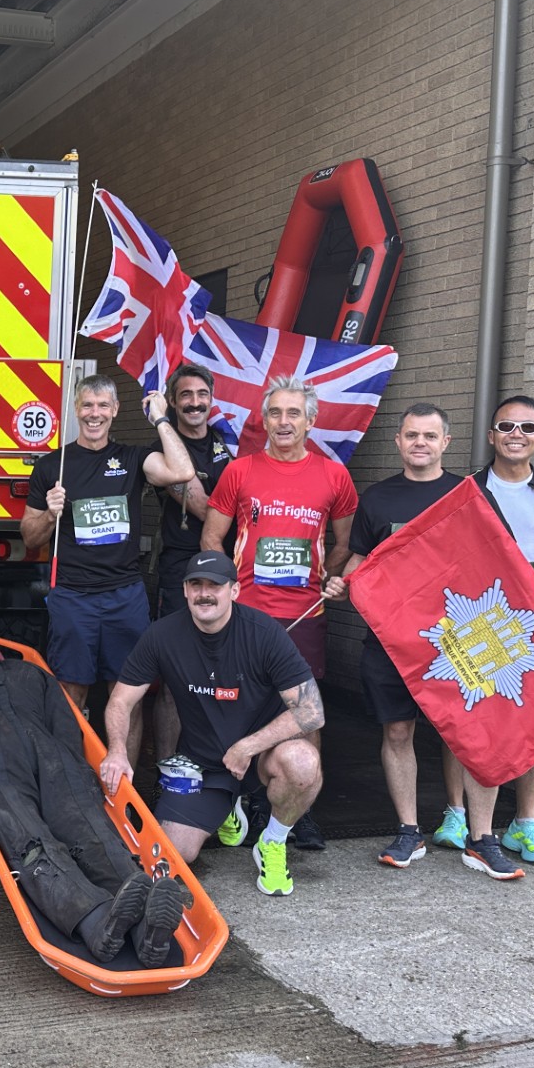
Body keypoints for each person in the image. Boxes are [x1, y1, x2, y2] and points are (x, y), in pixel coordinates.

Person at [0, 642, 192, 967]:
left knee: (31, 840)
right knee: (90, 830)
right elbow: (64, 721)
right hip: (49, 752)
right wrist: (75, 766)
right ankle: (139, 926)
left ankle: (100, 922)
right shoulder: (35, 673)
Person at [100, 551, 325, 898]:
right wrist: (116, 751)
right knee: (174, 856)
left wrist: (247, 746)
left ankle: (273, 842)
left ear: (234, 591)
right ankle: (225, 809)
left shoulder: (264, 633)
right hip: (203, 764)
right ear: (186, 591)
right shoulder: (162, 635)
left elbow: (311, 711)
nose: (205, 593)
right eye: (196, 585)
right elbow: (121, 700)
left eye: (214, 585)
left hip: (261, 756)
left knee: (303, 762)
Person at [201, 374, 356, 850]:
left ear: (311, 420)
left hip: (304, 618)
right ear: (262, 419)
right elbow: (211, 539)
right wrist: (227, 595)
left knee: (306, 717)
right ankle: (243, 799)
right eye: (275, 413)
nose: (283, 421)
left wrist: (324, 581)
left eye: (294, 413)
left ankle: (300, 810)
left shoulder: (334, 476)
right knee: (238, 709)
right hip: (246, 618)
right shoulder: (240, 472)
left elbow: (344, 545)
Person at [322, 403, 468, 870]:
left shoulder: (467, 496)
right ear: (399, 442)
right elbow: (360, 561)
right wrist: (342, 581)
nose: (420, 443)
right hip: (391, 638)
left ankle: (464, 821)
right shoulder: (379, 499)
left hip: (455, 639)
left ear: (446, 442)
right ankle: (409, 830)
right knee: (398, 730)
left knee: (459, 732)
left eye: (429, 435)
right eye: (411, 435)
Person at [20, 375, 195, 759]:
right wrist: (50, 515)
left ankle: (124, 788)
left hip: (124, 596)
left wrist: (162, 420)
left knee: (126, 694)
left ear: (115, 411)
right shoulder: (54, 466)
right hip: (73, 597)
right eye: (87, 405)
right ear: (76, 410)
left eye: (103, 406)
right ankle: (71, 780)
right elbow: (30, 538)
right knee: (71, 693)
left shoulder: (133, 459)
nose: (94, 413)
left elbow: (182, 472)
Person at [459, 394, 534, 874]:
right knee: (483, 725)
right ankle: (479, 832)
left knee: (531, 725)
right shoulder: (467, 491)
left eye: (528, 428)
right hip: (481, 625)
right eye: (506, 426)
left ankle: (524, 822)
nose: (516, 435)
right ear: (491, 436)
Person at [151, 364, 237, 762]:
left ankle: (217, 762)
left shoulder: (228, 444)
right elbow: (202, 505)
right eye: (186, 395)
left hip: (227, 569)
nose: (195, 403)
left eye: (202, 394)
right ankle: (169, 768)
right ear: (172, 401)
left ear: (211, 398)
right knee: (175, 676)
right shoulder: (164, 455)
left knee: (227, 672)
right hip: (181, 570)